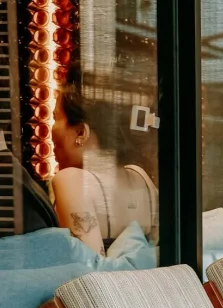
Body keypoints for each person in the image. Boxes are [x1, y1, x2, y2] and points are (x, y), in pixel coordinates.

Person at [49, 65, 158, 255]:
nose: (52, 131)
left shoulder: (71, 181)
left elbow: (86, 272)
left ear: (81, 132)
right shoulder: (141, 178)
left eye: (56, 118)